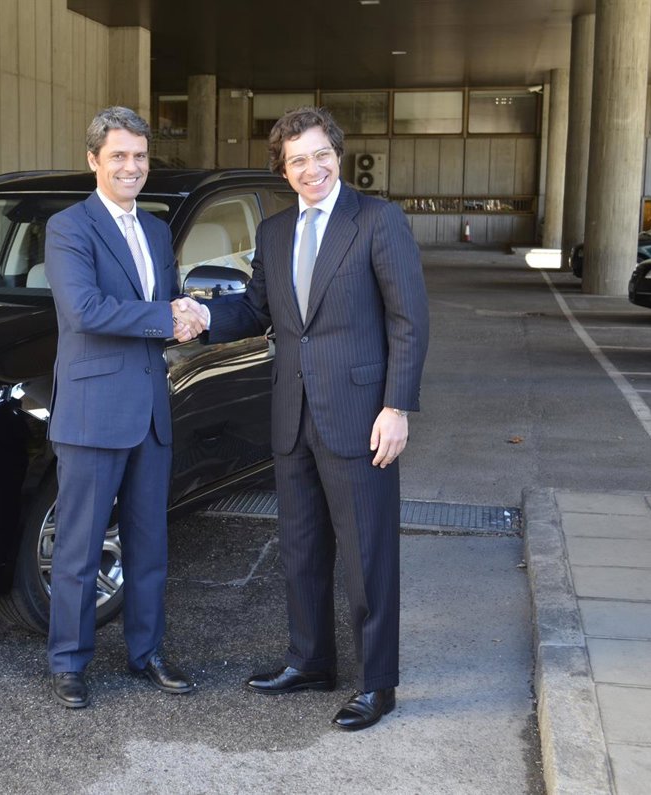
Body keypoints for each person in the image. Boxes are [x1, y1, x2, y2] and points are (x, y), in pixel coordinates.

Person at [174, 106, 429, 730]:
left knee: (367, 555)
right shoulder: (275, 232)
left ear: (337, 155)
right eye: (297, 161)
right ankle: (311, 660)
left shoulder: (377, 220)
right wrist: (202, 318)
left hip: (362, 414)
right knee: (301, 546)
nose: (311, 169)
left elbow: (408, 320)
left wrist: (396, 407)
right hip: (291, 412)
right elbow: (255, 310)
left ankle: (378, 683)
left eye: (320, 155)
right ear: (283, 170)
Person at [42, 106, 201, 709]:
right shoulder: (69, 227)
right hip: (92, 410)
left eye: (139, 155)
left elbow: (164, 304)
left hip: (150, 409)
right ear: (94, 160)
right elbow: (84, 309)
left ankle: (147, 652)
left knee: (149, 544)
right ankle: (68, 662)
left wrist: (188, 314)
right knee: (79, 549)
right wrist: (167, 316)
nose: (131, 166)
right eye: (118, 156)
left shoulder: (157, 230)